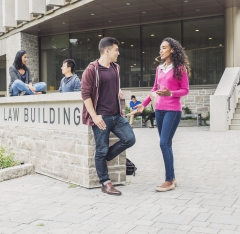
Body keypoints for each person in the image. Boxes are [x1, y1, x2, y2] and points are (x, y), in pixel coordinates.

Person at [81, 37, 136, 196]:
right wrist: (95, 117)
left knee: (130, 139)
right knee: (101, 149)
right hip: (101, 117)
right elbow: (85, 95)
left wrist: (118, 91)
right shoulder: (91, 69)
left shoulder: (115, 68)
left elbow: (112, 86)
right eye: (116, 50)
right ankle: (105, 183)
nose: (118, 53)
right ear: (107, 50)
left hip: (116, 115)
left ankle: (105, 157)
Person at [137, 37, 190, 192]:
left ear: (172, 49)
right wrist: (144, 104)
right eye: (160, 48)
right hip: (159, 110)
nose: (161, 50)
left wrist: (170, 93)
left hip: (173, 110)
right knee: (165, 143)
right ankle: (172, 178)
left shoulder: (180, 68)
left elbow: (185, 90)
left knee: (164, 143)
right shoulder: (159, 68)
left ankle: (169, 180)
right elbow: (154, 89)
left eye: (164, 47)